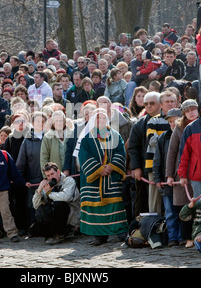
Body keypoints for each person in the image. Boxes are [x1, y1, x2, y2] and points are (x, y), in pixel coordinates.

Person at [76, 109, 128, 245]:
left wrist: (112, 166)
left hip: (111, 178)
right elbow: (84, 157)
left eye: (104, 118)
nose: (101, 121)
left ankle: (121, 232)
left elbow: (121, 152)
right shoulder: (87, 139)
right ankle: (99, 236)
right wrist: (98, 169)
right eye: (98, 119)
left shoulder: (116, 136)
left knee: (115, 205)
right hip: (94, 181)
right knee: (95, 207)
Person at [165, 99, 199, 248]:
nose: (191, 112)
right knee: (185, 207)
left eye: (193, 109)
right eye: (188, 110)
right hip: (183, 172)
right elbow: (172, 152)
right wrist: (170, 174)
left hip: (200, 170)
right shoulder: (179, 128)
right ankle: (186, 237)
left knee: (200, 204)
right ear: (184, 113)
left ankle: (200, 234)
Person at [128, 91, 161, 216]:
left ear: (160, 104)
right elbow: (133, 147)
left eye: (152, 103)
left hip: (164, 168)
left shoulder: (168, 121)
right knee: (142, 201)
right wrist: (136, 167)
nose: (148, 106)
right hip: (144, 169)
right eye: (146, 104)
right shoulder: (139, 124)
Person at [152, 108, 182, 246]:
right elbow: (157, 159)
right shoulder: (163, 137)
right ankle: (172, 238)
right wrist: (158, 178)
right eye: (170, 121)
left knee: (183, 211)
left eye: (176, 120)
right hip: (167, 181)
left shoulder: (185, 134)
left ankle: (183, 236)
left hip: (181, 181)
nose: (173, 123)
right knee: (170, 212)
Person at [31, 162, 80, 245]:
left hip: (72, 216)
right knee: (33, 230)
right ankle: (54, 232)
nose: (51, 177)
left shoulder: (68, 181)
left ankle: (60, 234)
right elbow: (36, 205)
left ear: (58, 172)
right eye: (48, 176)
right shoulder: (48, 185)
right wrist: (39, 191)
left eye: (52, 174)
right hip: (54, 216)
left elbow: (66, 197)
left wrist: (49, 194)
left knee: (59, 204)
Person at [40, 110, 70, 176]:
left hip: (71, 174)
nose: (59, 123)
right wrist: (46, 176)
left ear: (65, 121)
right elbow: (44, 158)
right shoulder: (47, 137)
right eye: (56, 121)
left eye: (61, 120)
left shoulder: (71, 134)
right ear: (53, 123)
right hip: (55, 176)